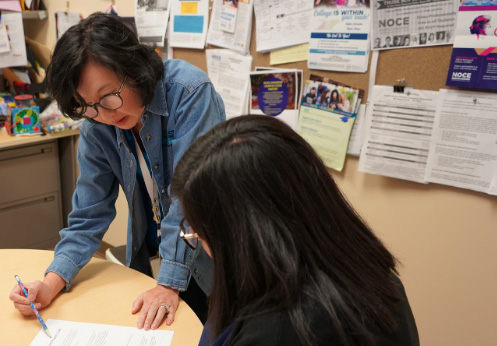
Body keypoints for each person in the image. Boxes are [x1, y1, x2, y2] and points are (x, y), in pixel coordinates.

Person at [9, 12, 225, 330]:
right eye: (87, 106)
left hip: (212, 255)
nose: (104, 115)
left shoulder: (189, 93)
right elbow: (89, 213)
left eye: (108, 95)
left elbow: (191, 200)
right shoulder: (96, 125)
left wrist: (168, 283)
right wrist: (51, 282)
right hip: (158, 255)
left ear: (134, 66)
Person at [170, 115, 419, 346]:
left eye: (200, 235)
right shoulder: (364, 270)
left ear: (244, 238)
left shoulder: (276, 332)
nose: (202, 244)